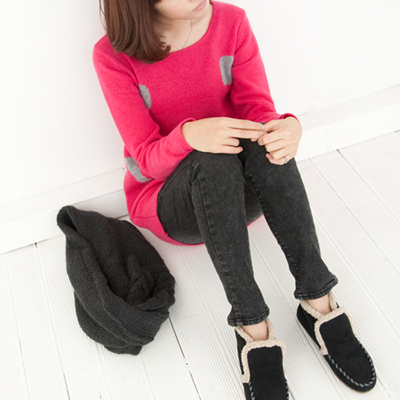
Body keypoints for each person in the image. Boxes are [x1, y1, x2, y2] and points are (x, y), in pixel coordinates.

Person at [93, 0, 376, 398]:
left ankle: (318, 299)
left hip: (242, 192)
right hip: (176, 205)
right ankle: (252, 325)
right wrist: (189, 136)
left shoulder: (231, 22)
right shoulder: (112, 56)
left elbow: (258, 112)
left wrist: (288, 128)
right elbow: (146, 159)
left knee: (266, 141)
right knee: (211, 161)